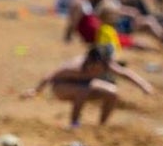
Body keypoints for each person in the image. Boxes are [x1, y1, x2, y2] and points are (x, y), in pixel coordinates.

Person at [22, 46, 153, 128]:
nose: (95, 70)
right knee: (83, 90)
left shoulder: (106, 64)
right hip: (61, 88)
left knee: (113, 93)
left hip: (86, 87)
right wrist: (36, 90)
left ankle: (102, 126)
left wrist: (144, 85)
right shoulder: (76, 66)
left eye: (98, 68)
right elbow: (51, 74)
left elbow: (125, 73)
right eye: (93, 67)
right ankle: (74, 124)